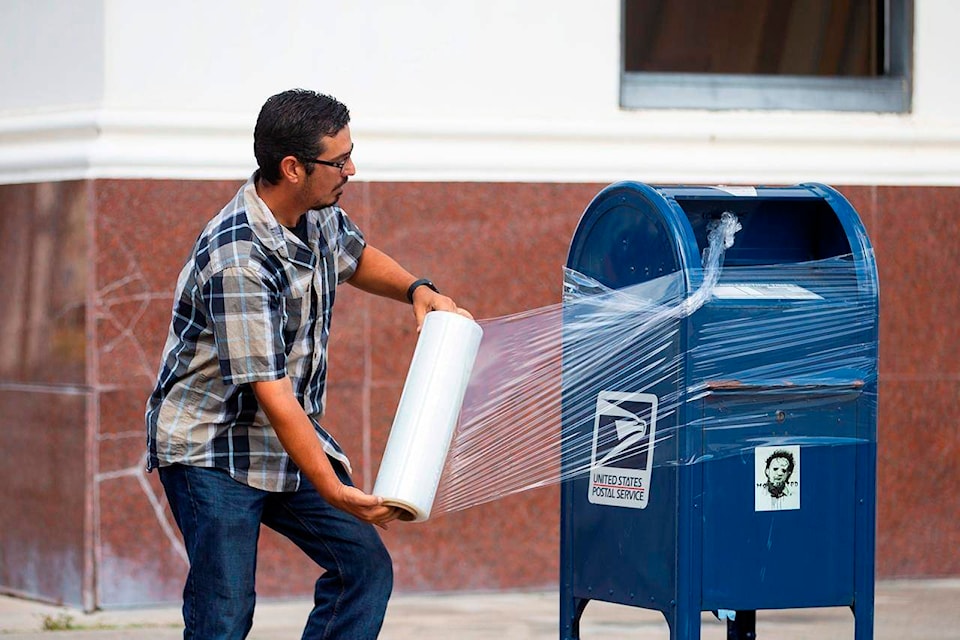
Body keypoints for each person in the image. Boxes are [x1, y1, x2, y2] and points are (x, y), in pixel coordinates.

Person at [145, 88, 469, 639]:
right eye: (339, 161)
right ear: (292, 167)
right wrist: (334, 489)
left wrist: (417, 288)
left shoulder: (316, 214)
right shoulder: (239, 259)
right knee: (223, 616)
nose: (351, 169)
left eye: (351, 154)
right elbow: (271, 393)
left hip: (277, 437)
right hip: (210, 449)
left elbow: (356, 256)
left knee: (362, 569)